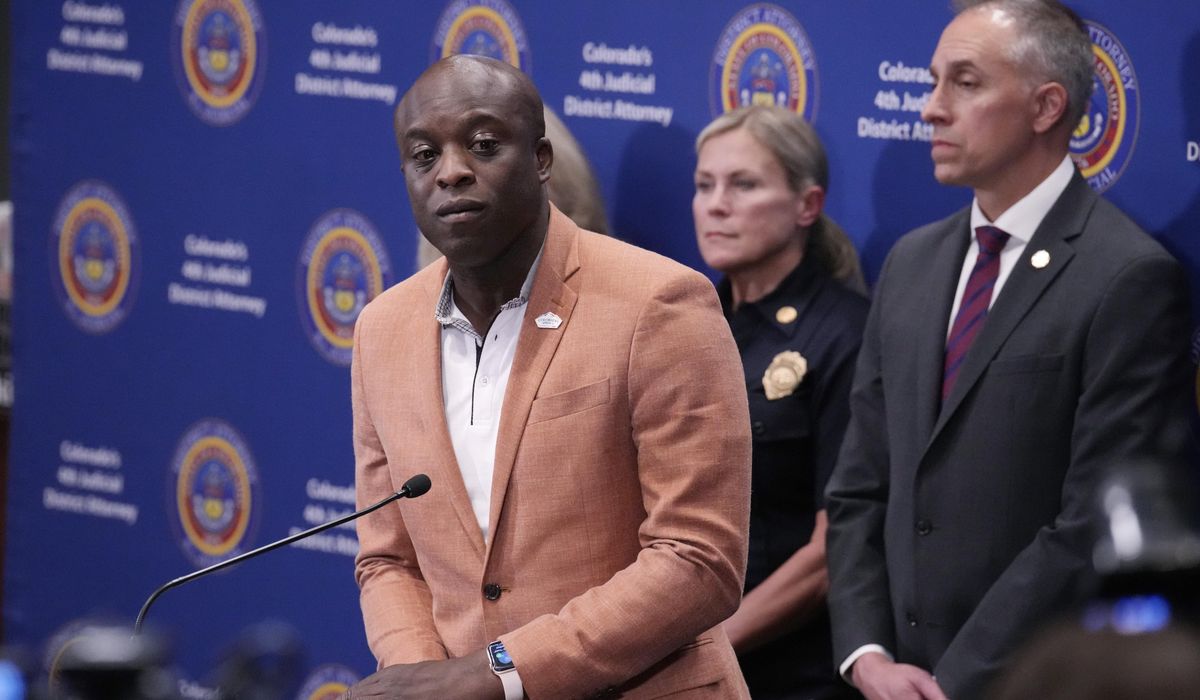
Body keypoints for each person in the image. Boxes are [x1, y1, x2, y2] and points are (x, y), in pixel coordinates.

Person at [347, 54, 753, 699]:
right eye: (424, 155)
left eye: (483, 144)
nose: (451, 171)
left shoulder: (659, 303)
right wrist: (423, 680)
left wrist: (496, 675)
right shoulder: (381, 330)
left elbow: (698, 558)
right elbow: (388, 557)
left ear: (541, 160)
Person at [824, 1, 1195, 699]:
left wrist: (953, 682)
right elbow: (859, 487)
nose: (931, 108)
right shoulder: (910, 262)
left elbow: (1090, 519)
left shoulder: (1127, 278)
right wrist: (866, 654)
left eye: (964, 83)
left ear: (1046, 106)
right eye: (933, 81)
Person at [692, 105, 867, 699]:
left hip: (789, 671)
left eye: (743, 185)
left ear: (807, 205)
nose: (717, 205)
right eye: (705, 185)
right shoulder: (687, 318)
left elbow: (833, 551)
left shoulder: (846, 334)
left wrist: (704, 649)